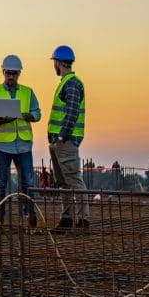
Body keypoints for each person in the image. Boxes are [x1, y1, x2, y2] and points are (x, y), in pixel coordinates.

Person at [0, 54, 41, 229]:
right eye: (8, 73)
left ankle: (30, 218)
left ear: (19, 74)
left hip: (23, 145)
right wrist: (5, 119)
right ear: (3, 72)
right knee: (0, 184)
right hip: (2, 145)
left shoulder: (28, 92)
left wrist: (28, 116)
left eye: (15, 74)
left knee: (28, 183)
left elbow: (38, 113)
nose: (11, 77)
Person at [48, 45, 88, 232]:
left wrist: (62, 136)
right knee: (63, 182)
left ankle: (82, 221)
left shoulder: (71, 83)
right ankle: (66, 219)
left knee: (73, 180)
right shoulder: (66, 82)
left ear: (58, 62)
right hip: (59, 141)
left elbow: (72, 112)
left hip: (67, 141)